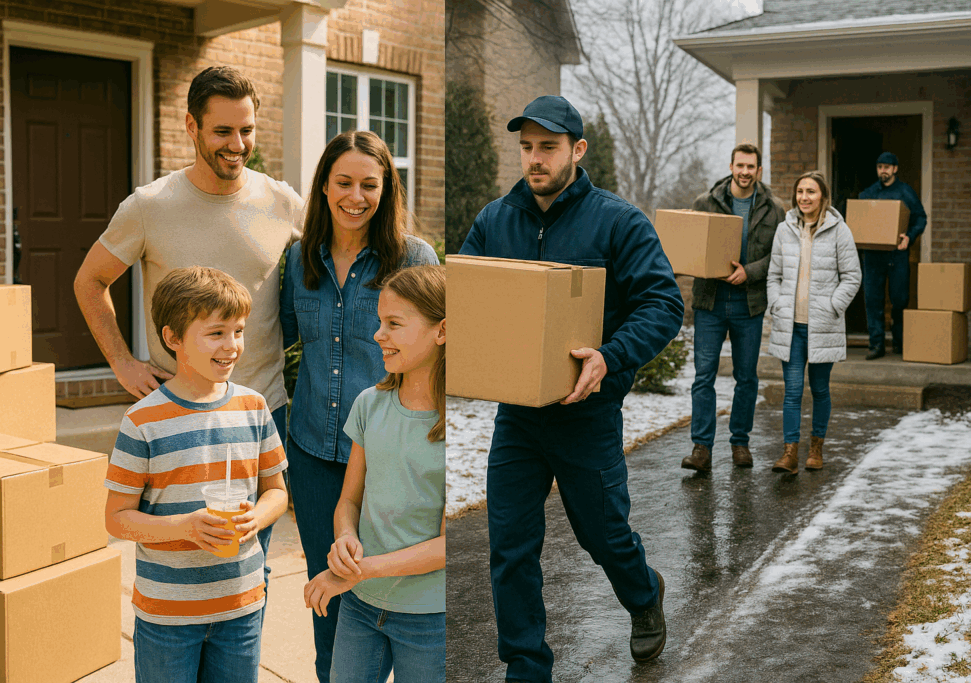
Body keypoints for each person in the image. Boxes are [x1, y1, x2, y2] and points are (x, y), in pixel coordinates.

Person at [459, 95, 684, 680]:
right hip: (519, 415)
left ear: (577, 151)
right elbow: (467, 296)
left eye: (548, 147)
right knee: (510, 547)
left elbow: (663, 303)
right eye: (527, 147)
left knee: (602, 535)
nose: (535, 159)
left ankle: (643, 593)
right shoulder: (494, 220)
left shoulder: (617, 221)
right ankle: (527, 667)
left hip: (588, 413)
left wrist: (610, 358)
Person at [74, 65, 303, 588]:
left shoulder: (281, 202)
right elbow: (90, 282)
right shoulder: (150, 206)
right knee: (177, 562)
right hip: (173, 420)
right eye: (222, 131)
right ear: (191, 127)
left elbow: (339, 262)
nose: (237, 144)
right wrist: (121, 362)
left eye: (247, 130)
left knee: (249, 570)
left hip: (259, 411)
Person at [280, 130, 439, 683]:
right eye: (343, 182)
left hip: (388, 453)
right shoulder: (300, 258)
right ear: (324, 186)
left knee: (393, 584)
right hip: (313, 452)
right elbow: (287, 341)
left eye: (369, 185)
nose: (356, 196)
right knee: (329, 588)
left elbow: (438, 353)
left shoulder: (413, 257)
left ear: (386, 188)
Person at [104, 266, 289, 683]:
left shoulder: (253, 407)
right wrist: (186, 527)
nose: (232, 346)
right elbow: (116, 518)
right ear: (173, 338)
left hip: (240, 606)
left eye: (238, 331)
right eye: (216, 333)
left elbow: (276, 492)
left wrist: (255, 518)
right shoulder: (142, 421)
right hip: (167, 613)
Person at [303, 265, 446, 683]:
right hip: (361, 606)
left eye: (394, 324)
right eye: (379, 322)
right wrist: (346, 537)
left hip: (429, 617)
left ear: (442, 331)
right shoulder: (369, 404)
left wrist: (356, 571)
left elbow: (446, 545)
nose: (378, 334)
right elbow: (349, 500)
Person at [681, 142, 785, 471]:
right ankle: (701, 449)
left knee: (746, 377)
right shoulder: (705, 203)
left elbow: (780, 255)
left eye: (750, 167)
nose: (744, 172)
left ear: (759, 171)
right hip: (710, 302)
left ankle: (740, 443)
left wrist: (749, 272)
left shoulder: (773, 208)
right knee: (703, 376)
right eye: (739, 165)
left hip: (749, 304)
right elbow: (690, 246)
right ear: (730, 167)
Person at [767, 171, 861, 474]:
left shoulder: (839, 230)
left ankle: (816, 448)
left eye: (811, 191)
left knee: (820, 389)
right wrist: (777, 304)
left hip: (822, 326)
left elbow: (852, 277)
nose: (804, 197)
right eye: (800, 191)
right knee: (792, 391)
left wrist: (833, 306)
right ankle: (790, 453)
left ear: (823, 196)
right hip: (790, 326)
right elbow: (773, 276)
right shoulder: (784, 229)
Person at [858, 152, 927, 359]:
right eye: (880, 167)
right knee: (873, 300)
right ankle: (876, 345)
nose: (883, 171)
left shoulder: (905, 192)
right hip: (873, 254)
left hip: (897, 254)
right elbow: (859, 219)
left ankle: (899, 342)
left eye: (887, 167)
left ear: (895, 169)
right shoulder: (867, 194)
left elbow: (920, 218)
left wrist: (910, 237)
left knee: (899, 300)